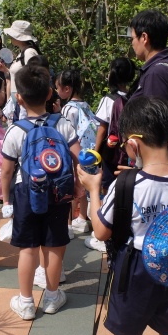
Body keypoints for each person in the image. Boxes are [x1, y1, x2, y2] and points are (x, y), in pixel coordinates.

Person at [78, 96, 168, 335]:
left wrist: (93, 189)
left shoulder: (126, 184)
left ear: (133, 145)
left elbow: (101, 231)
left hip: (135, 270)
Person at [0, 63, 79, 319]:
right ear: (49, 94)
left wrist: (6, 201)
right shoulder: (63, 124)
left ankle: (26, 302)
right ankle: (53, 298)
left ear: (19, 99)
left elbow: (6, 171)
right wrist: (79, 186)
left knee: (28, 248)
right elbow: (78, 158)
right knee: (54, 246)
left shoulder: (15, 130)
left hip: (27, 192)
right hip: (59, 191)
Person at [84, 57, 136, 253]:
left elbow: (102, 128)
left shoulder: (109, 99)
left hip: (110, 154)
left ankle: (105, 231)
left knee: (106, 190)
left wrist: (95, 151)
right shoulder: (134, 97)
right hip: (129, 154)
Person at [128, 9, 168, 165]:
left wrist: (146, 170)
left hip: (158, 167)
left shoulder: (156, 74)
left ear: (144, 37)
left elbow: (154, 129)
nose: (132, 43)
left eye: (133, 38)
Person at [56, 69, 92, 236]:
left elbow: (65, 133)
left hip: (72, 155)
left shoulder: (68, 109)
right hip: (86, 155)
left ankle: (68, 225)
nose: (56, 91)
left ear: (67, 89)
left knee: (70, 189)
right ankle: (82, 218)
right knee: (83, 186)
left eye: (58, 87)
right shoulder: (85, 105)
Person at [1, 20, 40, 121]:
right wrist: (6, 70)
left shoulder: (29, 52)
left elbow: (32, 76)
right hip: (19, 99)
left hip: (24, 101)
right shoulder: (22, 53)